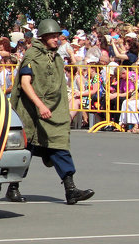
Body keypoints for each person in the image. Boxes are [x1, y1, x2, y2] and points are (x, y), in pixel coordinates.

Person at [7, 17, 94, 205]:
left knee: (59, 146)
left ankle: (71, 190)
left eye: (58, 36)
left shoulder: (56, 58)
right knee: (26, 150)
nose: (57, 39)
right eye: (53, 36)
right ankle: (13, 187)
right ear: (44, 37)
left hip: (52, 113)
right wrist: (40, 105)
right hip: (31, 114)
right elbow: (24, 84)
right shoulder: (32, 56)